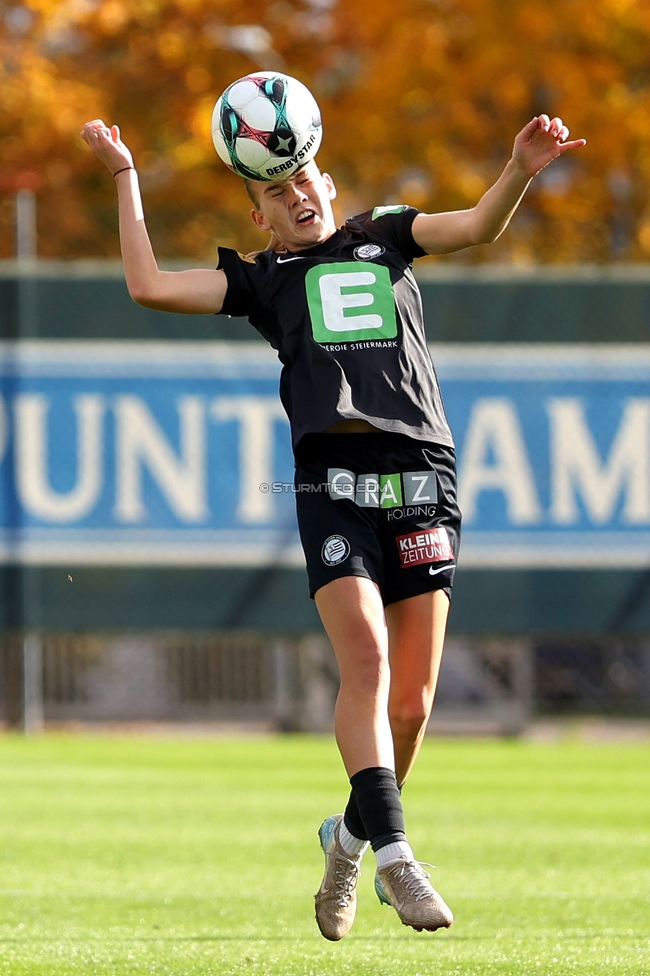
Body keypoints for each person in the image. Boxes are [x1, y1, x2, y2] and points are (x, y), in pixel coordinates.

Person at [81, 110, 585, 940]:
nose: (297, 197)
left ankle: (346, 841)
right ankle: (397, 858)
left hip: (422, 477)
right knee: (368, 663)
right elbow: (149, 286)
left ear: (328, 182)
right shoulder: (264, 280)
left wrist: (521, 169)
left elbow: (477, 226)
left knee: (412, 705)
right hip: (332, 482)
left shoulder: (384, 233)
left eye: (304, 180)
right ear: (260, 216)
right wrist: (125, 173)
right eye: (276, 193)